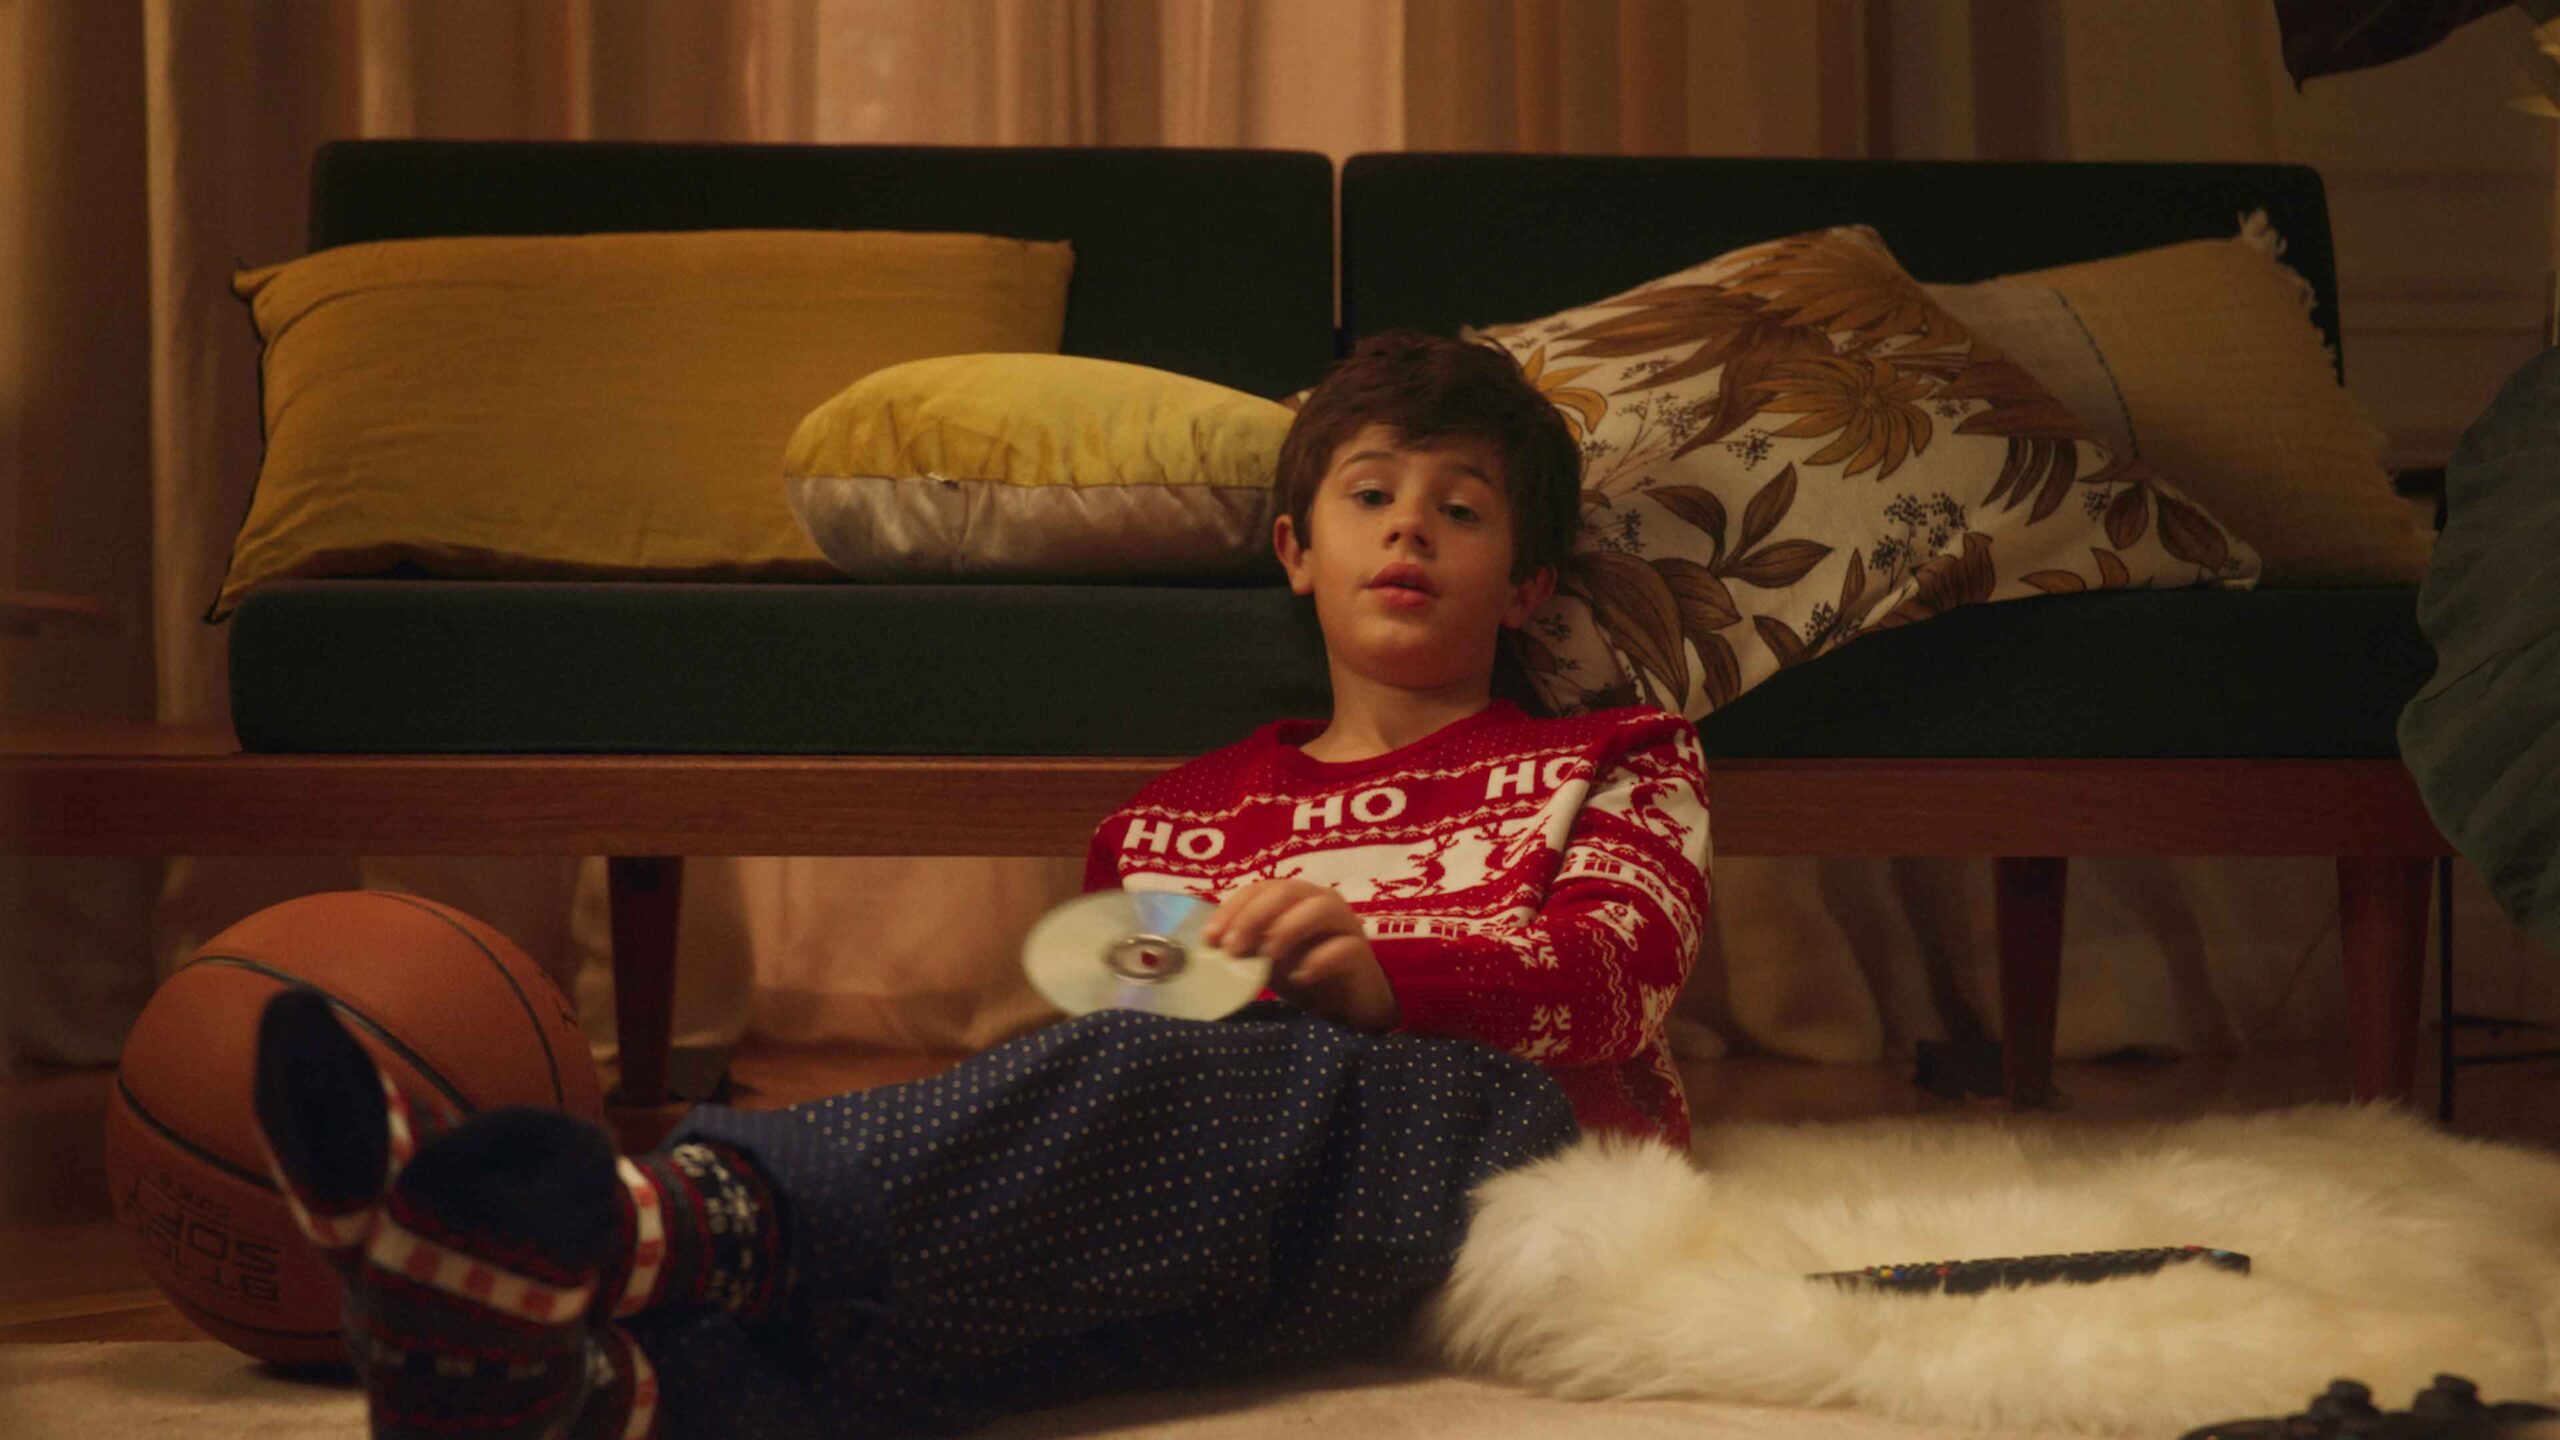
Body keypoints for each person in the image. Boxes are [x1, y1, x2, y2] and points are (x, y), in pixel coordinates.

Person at [248, 331, 1712, 1440]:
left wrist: (1389, 977)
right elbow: (1117, 1066)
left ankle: (611, 1220)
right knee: (1060, 1252)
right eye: (1372, 496)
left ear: (1528, 582)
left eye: (1461, 511)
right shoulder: (1173, 818)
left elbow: (1617, 983)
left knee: (1259, 1088)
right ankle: (583, 1391)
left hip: (1506, 1158)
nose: (1408, 529)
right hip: (1239, 1196)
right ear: (1295, 550)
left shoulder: (1620, 755)